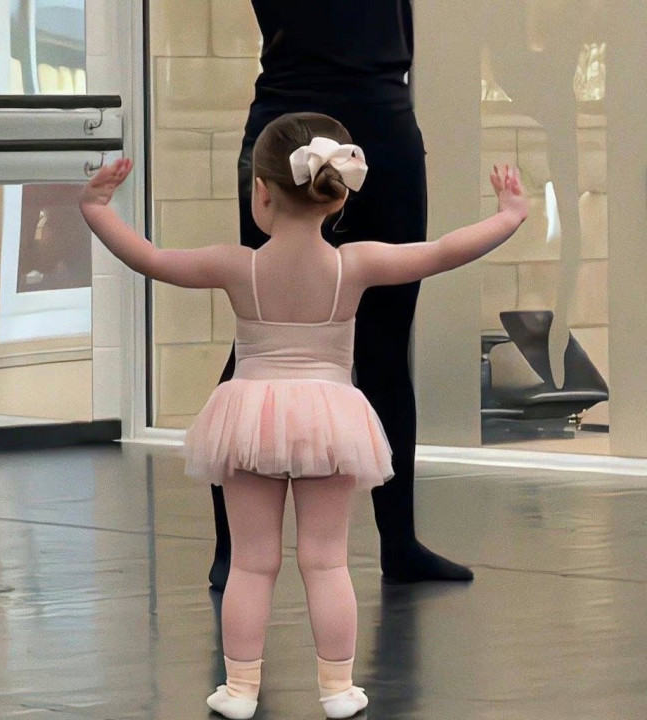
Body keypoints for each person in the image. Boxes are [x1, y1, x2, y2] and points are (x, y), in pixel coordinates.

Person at [79, 112, 528, 720]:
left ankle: (240, 689)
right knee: (327, 561)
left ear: (261, 192)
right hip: (328, 419)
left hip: (250, 417)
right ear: (337, 193)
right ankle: (338, 689)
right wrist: (508, 216)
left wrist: (97, 208)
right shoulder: (356, 264)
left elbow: (152, 260)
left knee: (251, 562)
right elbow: (443, 252)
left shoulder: (238, 265)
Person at [209, 0, 474, 591]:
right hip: (292, 119)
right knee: (263, 333)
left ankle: (399, 542)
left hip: (382, 112)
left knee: (387, 342)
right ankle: (233, 546)